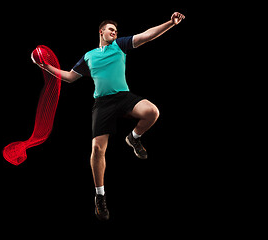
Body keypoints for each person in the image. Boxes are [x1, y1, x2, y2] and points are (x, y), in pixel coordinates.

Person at [32, 12, 185, 221]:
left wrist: (171, 23)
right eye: (110, 29)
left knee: (152, 112)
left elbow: (147, 35)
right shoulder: (89, 56)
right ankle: (100, 196)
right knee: (97, 149)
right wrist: (46, 67)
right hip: (102, 103)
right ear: (101, 32)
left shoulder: (120, 45)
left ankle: (134, 138)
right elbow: (69, 77)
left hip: (123, 97)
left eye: (116, 30)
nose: (114, 32)